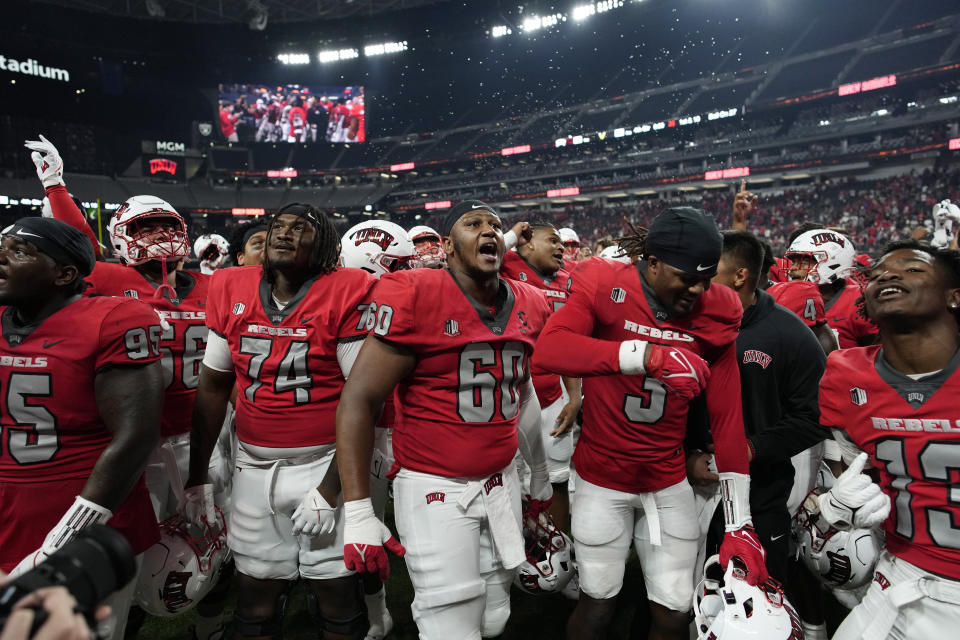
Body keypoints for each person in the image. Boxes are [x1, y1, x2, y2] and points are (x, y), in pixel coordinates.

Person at [23, 134, 231, 640]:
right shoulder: (111, 279)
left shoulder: (218, 285)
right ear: (119, 237)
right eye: (145, 226)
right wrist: (55, 184)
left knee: (217, 547)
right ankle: (128, 623)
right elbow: (73, 241)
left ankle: (215, 629)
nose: (159, 234)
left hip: (212, 436)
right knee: (133, 555)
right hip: (144, 446)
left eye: (167, 224)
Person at [535, 207, 767, 640]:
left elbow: (728, 419)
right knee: (598, 606)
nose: (699, 289)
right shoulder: (606, 282)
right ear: (653, 262)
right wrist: (646, 356)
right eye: (687, 277)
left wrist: (740, 522)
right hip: (602, 479)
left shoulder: (718, 308)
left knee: (676, 612)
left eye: (706, 276)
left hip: (667, 478)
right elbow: (550, 350)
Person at [335, 200, 554, 639]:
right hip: (434, 485)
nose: (489, 230)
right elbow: (359, 400)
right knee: (450, 624)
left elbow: (521, 392)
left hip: (501, 480)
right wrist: (359, 510)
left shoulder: (532, 300)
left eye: (494, 224)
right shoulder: (415, 293)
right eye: (474, 224)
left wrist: (540, 472)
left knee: (494, 618)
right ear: (450, 247)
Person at [187, 203, 374, 640]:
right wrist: (197, 478)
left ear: (326, 248)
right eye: (278, 227)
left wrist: (332, 491)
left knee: (338, 597)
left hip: (324, 461)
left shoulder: (345, 289)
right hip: (252, 467)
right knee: (253, 598)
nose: (283, 234)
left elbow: (363, 399)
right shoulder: (231, 285)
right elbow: (214, 388)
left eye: (300, 229)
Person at [0, 218, 164, 640]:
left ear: (64, 273)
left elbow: (135, 436)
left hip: (82, 511)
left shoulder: (114, 319)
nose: (1, 258)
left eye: (18, 251)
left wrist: (68, 536)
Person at [816, 240, 960, 640]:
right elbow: (838, 490)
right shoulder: (845, 375)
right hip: (902, 577)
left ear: (955, 295)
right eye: (876, 273)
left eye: (913, 269)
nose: (888, 275)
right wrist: (836, 512)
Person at [702, 230, 828, 583]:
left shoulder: (791, 335)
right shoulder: (685, 321)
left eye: (708, 268)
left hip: (762, 488)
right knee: (687, 592)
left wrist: (753, 448)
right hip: (690, 480)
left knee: (761, 589)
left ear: (740, 275)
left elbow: (814, 417)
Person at [338, 219, 419, 640]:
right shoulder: (341, 301)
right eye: (398, 263)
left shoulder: (412, 294)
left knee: (421, 531)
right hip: (371, 433)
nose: (408, 270)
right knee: (366, 531)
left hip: (409, 431)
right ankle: (377, 612)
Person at [501, 220, 581, 530]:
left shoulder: (570, 279)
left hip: (555, 389)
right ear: (528, 243)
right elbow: (476, 258)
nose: (561, 247)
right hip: (513, 392)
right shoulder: (505, 266)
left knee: (557, 478)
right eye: (553, 240)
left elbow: (573, 343)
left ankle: (558, 546)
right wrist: (510, 237)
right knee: (511, 478)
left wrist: (575, 396)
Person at [785, 228, 878, 348]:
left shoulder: (860, 301)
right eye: (793, 262)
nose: (792, 269)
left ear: (832, 263)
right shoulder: (788, 298)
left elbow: (876, 356)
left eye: (803, 262)